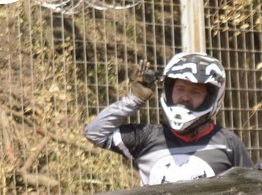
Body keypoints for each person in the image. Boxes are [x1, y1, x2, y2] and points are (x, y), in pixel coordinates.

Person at [85, 52, 251, 185]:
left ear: (211, 98)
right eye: (180, 89)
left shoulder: (228, 143)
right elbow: (95, 133)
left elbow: (250, 190)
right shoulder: (147, 137)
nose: (185, 97)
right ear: (169, 91)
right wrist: (134, 100)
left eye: (195, 92)